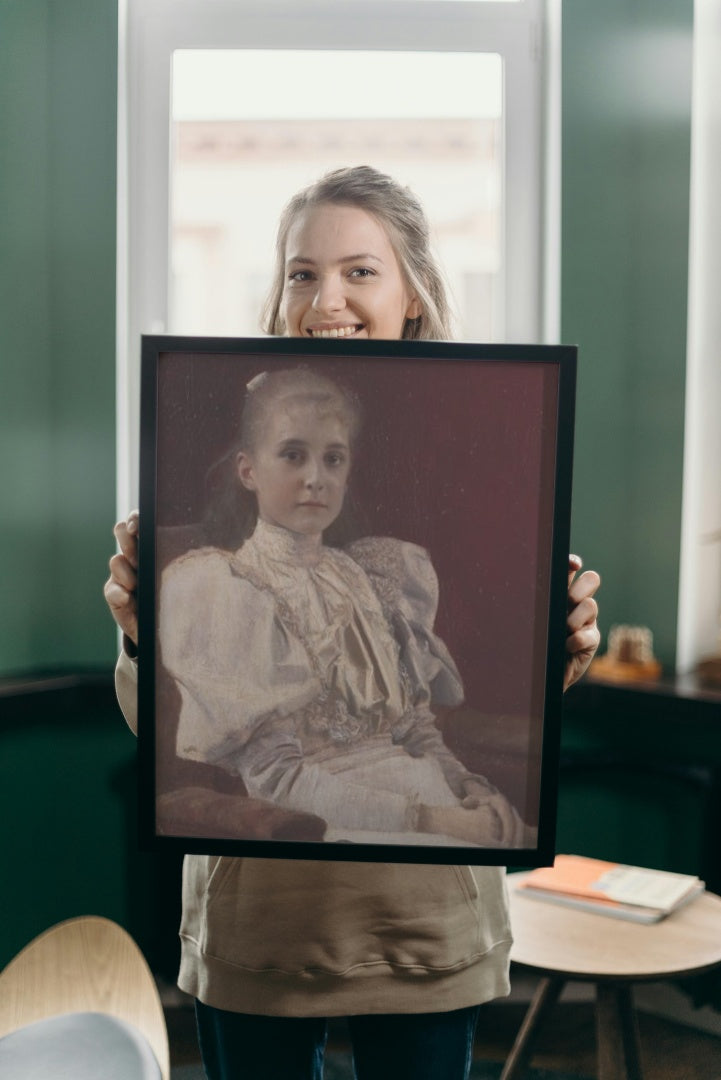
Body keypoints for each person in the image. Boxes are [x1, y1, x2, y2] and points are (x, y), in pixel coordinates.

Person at [105, 165, 601, 1080]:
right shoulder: (212, 580)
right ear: (249, 468)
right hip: (271, 914)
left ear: (412, 292)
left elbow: (420, 724)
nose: (325, 297)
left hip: (423, 915)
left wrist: (545, 676)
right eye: (301, 272)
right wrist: (139, 634)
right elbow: (198, 743)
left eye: (359, 271)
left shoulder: (384, 572)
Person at [159, 365, 531, 849]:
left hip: (436, 804)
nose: (316, 478)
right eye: (293, 455)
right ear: (247, 469)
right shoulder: (224, 591)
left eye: (333, 459)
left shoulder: (366, 576)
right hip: (335, 826)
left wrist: (470, 789)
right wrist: (439, 823)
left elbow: (416, 729)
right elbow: (280, 781)